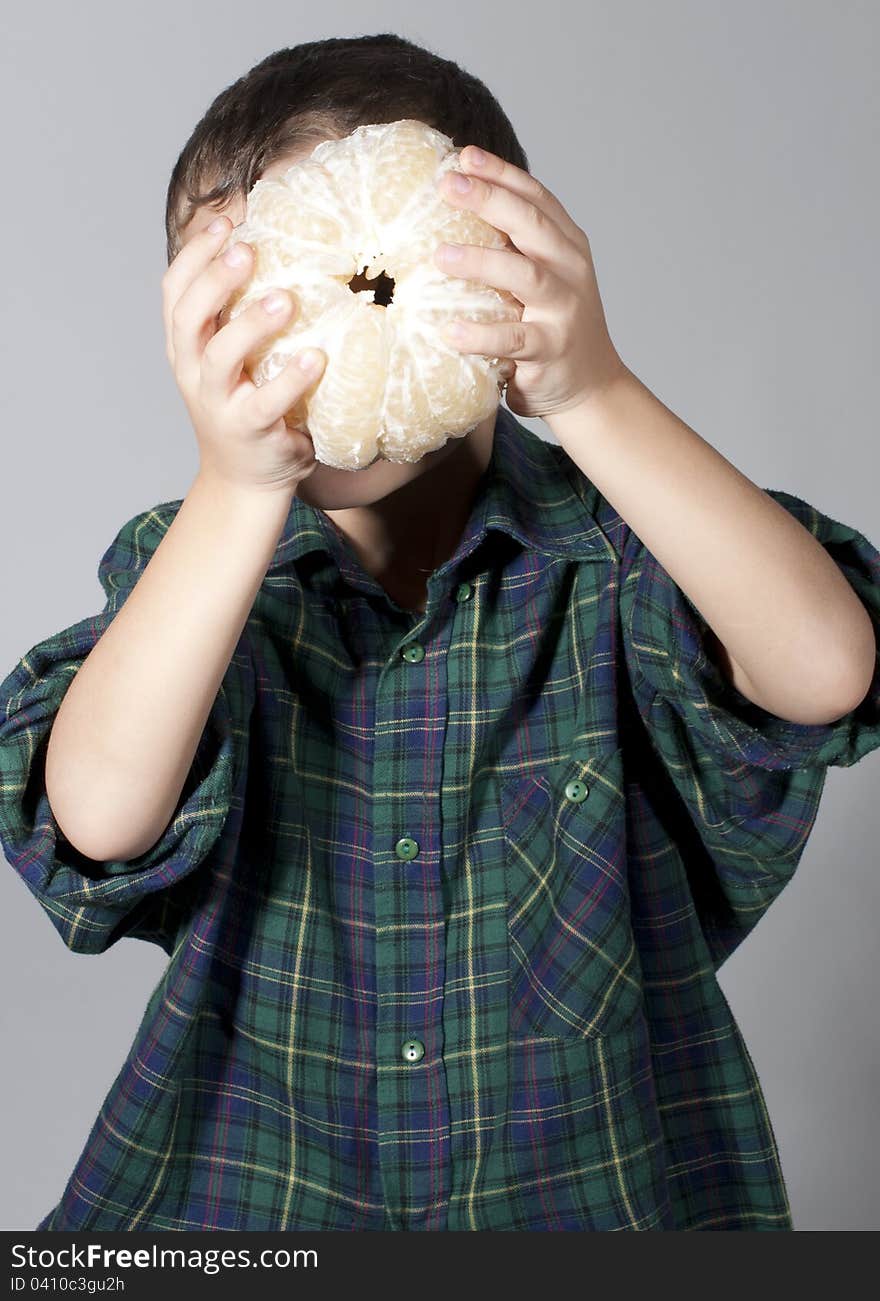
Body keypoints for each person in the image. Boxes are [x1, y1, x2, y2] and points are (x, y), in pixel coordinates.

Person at [1, 32, 878, 1234]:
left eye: (353, 285)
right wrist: (239, 484)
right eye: (248, 306)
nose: (305, 337)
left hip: (593, 1189)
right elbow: (99, 815)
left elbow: (825, 669)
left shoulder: (621, 551)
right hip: (258, 1195)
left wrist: (591, 389)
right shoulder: (193, 571)